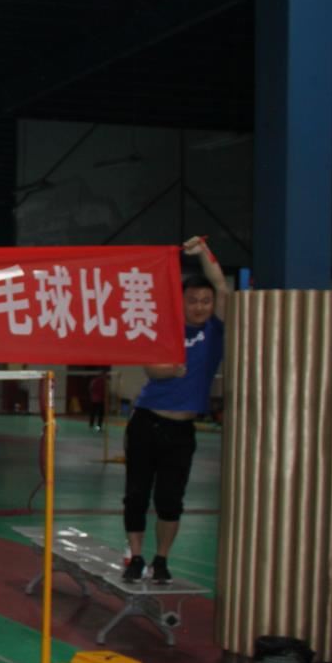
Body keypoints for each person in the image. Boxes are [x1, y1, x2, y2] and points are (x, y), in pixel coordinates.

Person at [123, 236, 229, 584]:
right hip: (147, 421)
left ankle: (161, 560)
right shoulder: (164, 327)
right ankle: (136, 557)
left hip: (182, 430)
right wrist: (172, 370)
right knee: (136, 494)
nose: (200, 306)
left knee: (170, 499)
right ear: (181, 302)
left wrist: (203, 253)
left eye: (205, 301)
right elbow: (152, 369)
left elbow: (221, 285)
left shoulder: (215, 332)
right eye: (193, 300)